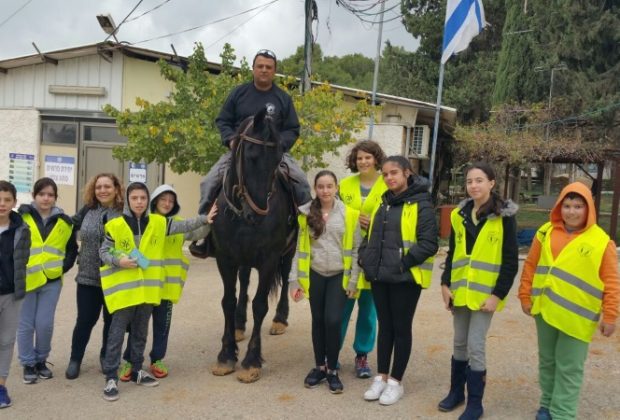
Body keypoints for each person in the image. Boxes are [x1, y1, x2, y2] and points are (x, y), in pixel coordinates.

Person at [99, 182, 213, 401]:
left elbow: (187, 225)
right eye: (135, 198)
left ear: (146, 200)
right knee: (116, 334)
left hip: (148, 292)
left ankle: (137, 371)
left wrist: (206, 218)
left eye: (142, 198)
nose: (139, 202)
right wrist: (117, 260)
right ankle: (111, 377)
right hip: (125, 292)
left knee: (141, 331)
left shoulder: (160, 223)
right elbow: (103, 250)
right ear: (128, 200)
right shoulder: (116, 224)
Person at [193, 48, 311, 256]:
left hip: (274, 155)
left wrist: (278, 146)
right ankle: (203, 232)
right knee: (209, 181)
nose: (264, 70)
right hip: (238, 153)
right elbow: (223, 121)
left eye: (269, 67)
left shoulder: (283, 98)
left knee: (301, 181)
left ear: (274, 71)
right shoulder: (239, 93)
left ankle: (306, 233)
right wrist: (230, 140)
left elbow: (293, 129)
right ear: (253, 69)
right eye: (260, 66)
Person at [518, 182, 619, 420]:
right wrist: (525, 295)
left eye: (578, 206)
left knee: (569, 368)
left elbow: (612, 282)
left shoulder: (601, 242)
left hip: (577, 317)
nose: (571, 212)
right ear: (559, 207)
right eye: (567, 205)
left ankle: (563, 413)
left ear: (589, 209)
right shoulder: (545, 232)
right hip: (545, 311)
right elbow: (530, 266)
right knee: (548, 362)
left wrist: (611, 315)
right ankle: (547, 404)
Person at [438, 162, 518, 420]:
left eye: (479, 180)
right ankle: (455, 393)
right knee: (459, 342)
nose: (473, 185)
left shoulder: (504, 216)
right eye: (470, 181)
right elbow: (453, 254)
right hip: (460, 292)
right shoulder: (459, 215)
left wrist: (498, 295)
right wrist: (444, 284)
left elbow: (510, 261)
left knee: (475, 345)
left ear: (492, 183)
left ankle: (475, 403)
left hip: (485, 296)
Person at [359, 156, 438, 406]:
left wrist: (402, 264)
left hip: (405, 278)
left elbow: (429, 243)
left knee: (401, 329)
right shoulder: (384, 203)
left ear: (407, 173)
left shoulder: (421, 204)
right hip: (380, 277)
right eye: (385, 174)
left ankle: (396, 382)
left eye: (394, 173)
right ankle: (381, 377)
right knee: (385, 328)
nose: (389, 178)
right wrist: (365, 258)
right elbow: (372, 236)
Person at [289, 170, 361, 394]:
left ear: (336, 188)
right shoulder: (305, 215)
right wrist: (294, 280)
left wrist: (354, 281)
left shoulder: (350, 214)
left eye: (329, 186)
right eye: (321, 186)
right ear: (315, 189)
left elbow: (357, 249)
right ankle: (320, 367)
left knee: (333, 320)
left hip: (339, 275)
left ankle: (332, 370)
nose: (325, 190)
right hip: (315, 274)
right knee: (318, 320)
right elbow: (299, 249)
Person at [17, 178, 78, 383]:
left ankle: (41, 360)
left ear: (55, 197)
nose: (46, 198)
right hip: (26, 279)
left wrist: (63, 267)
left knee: (44, 324)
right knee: (26, 324)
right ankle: (28, 363)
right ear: (34, 195)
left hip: (51, 280)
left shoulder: (65, 222)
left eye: (50, 194)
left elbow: (72, 250)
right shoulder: (20, 217)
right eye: (42, 194)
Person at [65, 173, 124, 380]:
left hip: (115, 277)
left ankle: (106, 357)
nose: (102, 190)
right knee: (85, 321)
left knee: (112, 322)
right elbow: (66, 227)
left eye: (107, 186)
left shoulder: (123, 213)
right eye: (98, 187)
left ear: (116, 189)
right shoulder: (87, 210)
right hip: (88, 277)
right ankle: (75, 359)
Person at [338, 140, 386, 378]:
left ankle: (362, 356)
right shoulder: (344, 185)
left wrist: (374, 222)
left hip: (373, 258)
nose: (364, 162)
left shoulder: (387, 184)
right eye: (359, 158)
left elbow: (396, 217)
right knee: (340, 310)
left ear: (376, 158)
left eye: (368, 157)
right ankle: (331, 354)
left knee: (368, 311)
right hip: (346, 259)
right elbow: (334, 213)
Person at [0, 181, 31, 408]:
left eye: (7, 200)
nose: (2, 204)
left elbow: (23, 261)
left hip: (11, 294)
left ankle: (1, 387)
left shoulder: (22, 230)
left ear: (14, 202)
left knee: (6, 341)